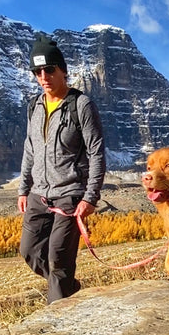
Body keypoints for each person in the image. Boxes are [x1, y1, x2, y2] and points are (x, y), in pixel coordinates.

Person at [17, 36, 106, 304]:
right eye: (37, 72)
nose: (43, 77)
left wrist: (90, 197)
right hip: (39, 194)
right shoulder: (35, 106)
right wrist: (23, 189)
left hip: (70, 194)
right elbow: (30, 149)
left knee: (58, 259)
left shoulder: (82, 105)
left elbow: (96, 152)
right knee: (29, 251)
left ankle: (56, 316)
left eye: (50, 70)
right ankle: (67, 286)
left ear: (63, 70)